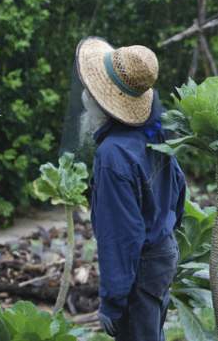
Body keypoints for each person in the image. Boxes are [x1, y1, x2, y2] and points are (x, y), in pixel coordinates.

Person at [75, 36, 186, 341]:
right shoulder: (154, 130)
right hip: (163, 256)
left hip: (140, 269)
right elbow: (179, 188)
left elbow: (121, 236)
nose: (85, 95)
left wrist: (113, 303)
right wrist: (166, 228)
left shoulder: (112, 156)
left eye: (89, 90)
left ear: (100, 101)